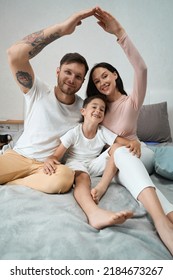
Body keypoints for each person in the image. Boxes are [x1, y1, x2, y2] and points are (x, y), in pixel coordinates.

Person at [86, 6, 173, 255]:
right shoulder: (98, 109)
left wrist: (120, 34)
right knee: (120, 168)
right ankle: (168, 214)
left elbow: (142, 69)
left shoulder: (132, 101)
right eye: (96, 81)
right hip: (114, 160)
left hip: (138, 152)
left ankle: (160, 224)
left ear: (114, 75)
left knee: (122, 155)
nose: (102, 82)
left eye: (105, 76)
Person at [0, 8, 97, 193]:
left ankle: (14, 183)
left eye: (78, 76)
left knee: (66, 178)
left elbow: (102, 131)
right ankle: (20, 179)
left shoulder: (83, 109)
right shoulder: (37, 90)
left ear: (82, 82)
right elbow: (14, 54)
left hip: (47, 167)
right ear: (58, 71)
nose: (71, 79)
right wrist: (61, 29)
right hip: (18, 156)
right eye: (68, 72)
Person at [43, 95, 133, 228]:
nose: (98, 111)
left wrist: (133, 143)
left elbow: (123, 142)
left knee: (117, 148)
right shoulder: (74, 132)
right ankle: (95, 214)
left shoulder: (102, 132)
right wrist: (50, 159)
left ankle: (101, 187)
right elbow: (56, 156)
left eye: (102, 109)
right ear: (83, 111)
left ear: (103, 116)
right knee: (83, 178)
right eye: (94, 107)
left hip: (94, 164)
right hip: (76, 163)